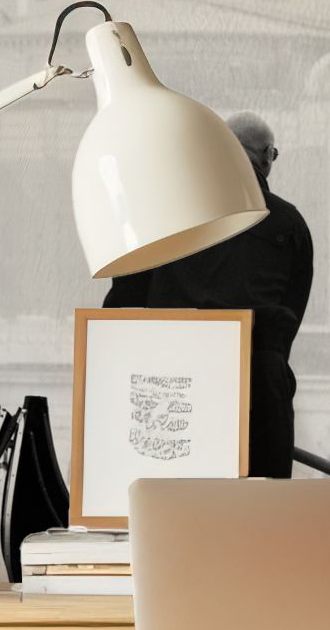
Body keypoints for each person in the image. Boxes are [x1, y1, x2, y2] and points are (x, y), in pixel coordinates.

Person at [103, 110, 315, 479]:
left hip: (176, 373)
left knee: (179, 493)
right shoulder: (289, 223)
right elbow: (292, 311)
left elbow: (122, 301)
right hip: (258, 378)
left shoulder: (168, 213)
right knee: (260, 505)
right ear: (268, 157)